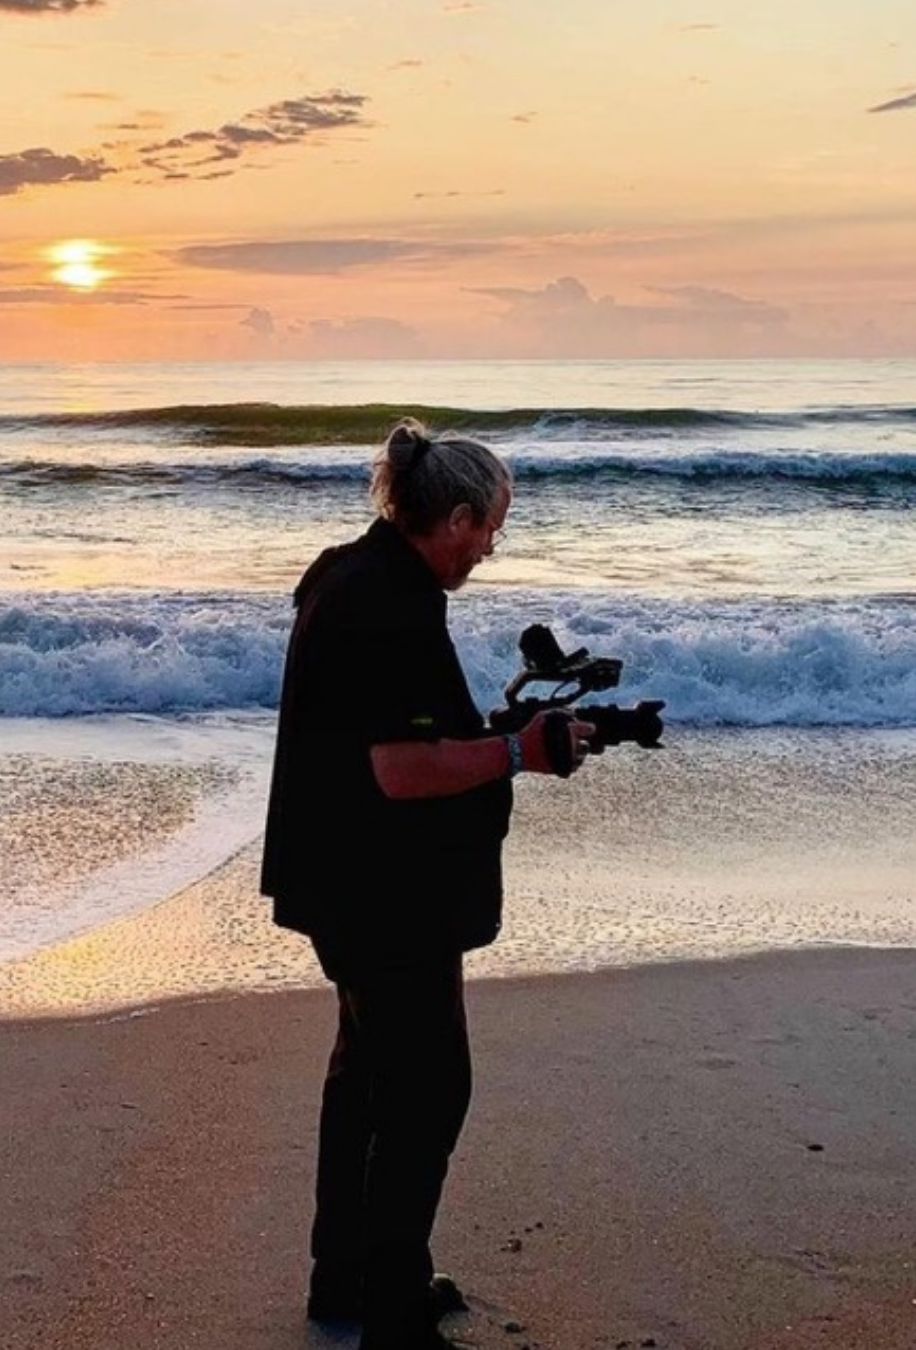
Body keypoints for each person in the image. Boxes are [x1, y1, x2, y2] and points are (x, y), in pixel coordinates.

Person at [260, 417, 593, 1350]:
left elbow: (382, 736)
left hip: (344, 874)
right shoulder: (389, 603)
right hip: (380, 888)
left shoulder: (349, 573)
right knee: (427, 1087)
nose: (492, 546)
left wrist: (499, 737)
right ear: (452, 516)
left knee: (366, 1076)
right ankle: (394, 1313)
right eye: (491, 527)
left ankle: (351, 1282)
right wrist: (519, 753)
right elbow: (399, 770)